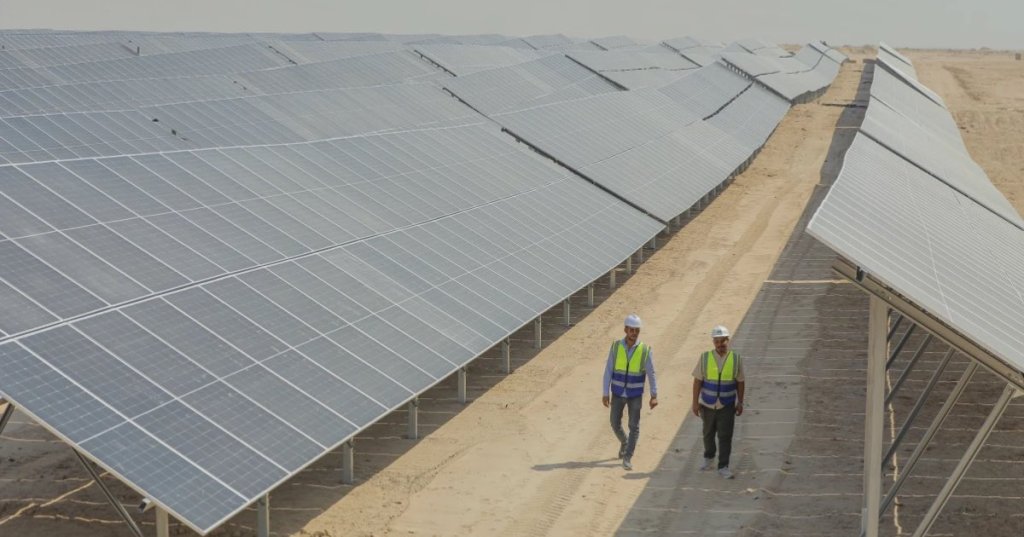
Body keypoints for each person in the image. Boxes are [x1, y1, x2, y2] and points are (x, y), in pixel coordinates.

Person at [602, 314, 658, 471]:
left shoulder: (645, 350)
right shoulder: (615, 347)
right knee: (614, 423)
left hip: (635, 395)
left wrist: (654, 395)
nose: (634, 333)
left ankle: (627, 457)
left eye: (636, 330)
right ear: (625, 330)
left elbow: (651, 373)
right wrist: (605, 392)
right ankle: (625, 442)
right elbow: (608, 370)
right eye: (631, 330)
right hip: (618, 393)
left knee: (634, 426)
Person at [691, 325, 745, 479]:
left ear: (728, 340)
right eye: (717, 341)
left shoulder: (736, 359)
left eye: (723, 341)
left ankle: (723, 466)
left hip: (727, 405)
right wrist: (695, 403)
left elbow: (740, 382)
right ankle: (709, 459)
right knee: (707, 434)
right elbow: (697, 382)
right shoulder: (705, 357)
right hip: (707, 404)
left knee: (725, 436)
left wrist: (740, 402)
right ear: (713, 342)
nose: (720, 344)